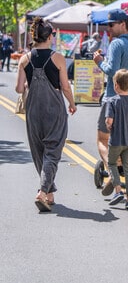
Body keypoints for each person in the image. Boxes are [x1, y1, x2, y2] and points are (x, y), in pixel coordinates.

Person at [15, 18, 77, 212]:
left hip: (33, 111)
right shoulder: (57, 58)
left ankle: (49, 195)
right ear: (49, 37)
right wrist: (72, 103)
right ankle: (42, 192)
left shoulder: (25, 59)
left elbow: (18, 88)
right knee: (53, 150)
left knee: (39, 151)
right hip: (54, 110)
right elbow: (65, 87)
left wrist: (28, 84)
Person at [93, 9, 128, 194]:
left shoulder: (117, 44)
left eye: (111, 24)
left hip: (113, 99)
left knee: (103, 139)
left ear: (123, 23)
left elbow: (112, 70)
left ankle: (112, 172)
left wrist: (99, 61)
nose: (109, 28)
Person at [104, 69, 128, 210]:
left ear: (116, 85)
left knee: (112, 164)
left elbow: (109, 120)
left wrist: (109, 125)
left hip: (116, 140)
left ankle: (118, 191)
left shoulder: (112, 101)